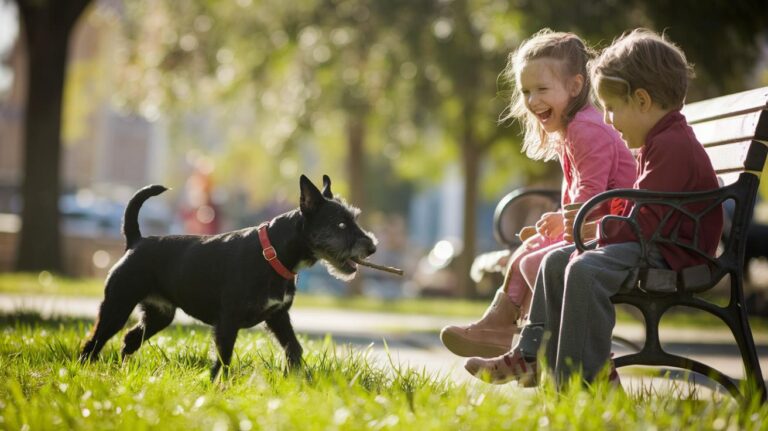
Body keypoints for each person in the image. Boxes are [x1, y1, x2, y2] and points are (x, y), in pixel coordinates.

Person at [464, 29, 723, 389]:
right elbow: (639, 208)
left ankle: (583, 380)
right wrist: (596, 225)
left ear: (643, 101)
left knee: (585, 268)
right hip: (656, 242)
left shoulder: (670, 146)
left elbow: (645, 222)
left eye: (613, 108)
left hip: (675, 252)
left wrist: (596, 228)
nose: (610, 121)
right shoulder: (659, 141)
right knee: (557, 261)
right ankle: (536, 358)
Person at [440, 29, 637, 358]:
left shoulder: (585, 129)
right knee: (529, 250)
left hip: (612, 228)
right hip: (598, 222)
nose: (532, 101)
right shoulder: (575, 127)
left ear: (575, 86)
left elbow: (591, 194)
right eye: (526, 91)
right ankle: (502, 330)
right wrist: (558, 222)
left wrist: (566, 221)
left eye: (542, 89)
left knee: (535, 261)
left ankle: (534, 347)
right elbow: (584, 196)